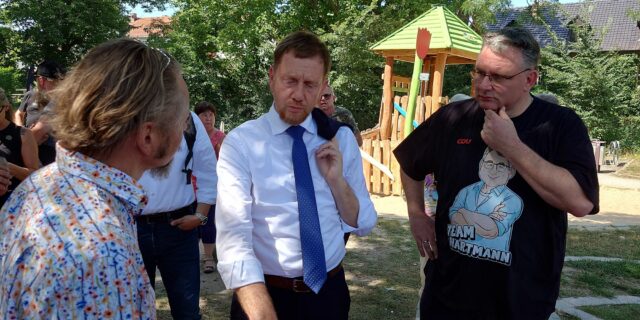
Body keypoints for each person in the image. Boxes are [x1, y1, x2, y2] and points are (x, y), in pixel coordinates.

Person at [394, 27, 599, 319]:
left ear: (530, 79)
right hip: (446, 295)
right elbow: (409, 163)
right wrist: (416, 213)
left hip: (520, 301)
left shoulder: (561, 125)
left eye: (499, 77)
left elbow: (580, 202)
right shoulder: (454, 117)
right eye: (479, 73)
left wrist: (511, 146)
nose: (483, 85)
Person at [0, 38, 190, 319]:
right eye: (182, 118)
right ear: (148, 137)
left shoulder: (40, 187)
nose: (185, 128)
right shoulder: (102, 256)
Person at [216, 31, 378, 320]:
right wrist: (260, 312)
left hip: (328, 293)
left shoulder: (339, 138)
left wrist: (337, 181)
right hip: (264, 294)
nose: (299, 95)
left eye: (310, 85)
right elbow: (233, 237)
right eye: (290, 81)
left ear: (322, 88)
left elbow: (362, 222)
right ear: (272, 77)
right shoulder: (242, 143)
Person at [136, 109, 217, 319]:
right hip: (131, 230)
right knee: (134, 312)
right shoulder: (122, 110)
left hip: (180, 230)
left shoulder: (188, 119)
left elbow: (208, 170)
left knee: (187, 313)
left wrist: (201, 217)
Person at [193, 101, 225, 274]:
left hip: (212, 187)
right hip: (190, 187)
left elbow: (224, 162)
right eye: (204, 115)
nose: (208, 118)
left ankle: (208, 257)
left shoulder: (220, 137)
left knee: (207, 222)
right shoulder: (190, 135)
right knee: (192, 223)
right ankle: (190, 256)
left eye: (211, 114)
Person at [15, 60, 65, 165]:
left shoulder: (62, 100)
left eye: (60, 81)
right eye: (56, 81)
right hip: (26, 144)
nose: (59, 85)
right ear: (41, 80)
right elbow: (18, 114)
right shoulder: (30, 94)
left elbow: (39, 132)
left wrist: (28, 138)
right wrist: (22, 131)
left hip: (50, 152)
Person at [0, 88, 40, 206]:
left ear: (6, 107)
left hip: (12, 203)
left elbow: (35, 175)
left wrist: (7, 166)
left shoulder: (23, 134)